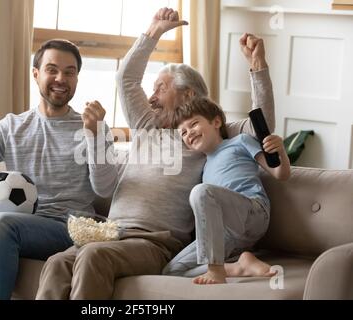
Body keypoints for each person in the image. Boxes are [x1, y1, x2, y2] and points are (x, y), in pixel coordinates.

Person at [36, 8, 276, 299]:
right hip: (112, 234)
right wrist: (153, 32)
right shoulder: (146, 126)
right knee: (57, 262)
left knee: (93, 257)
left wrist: (258, 67)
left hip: (156, 243)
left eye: (160, 89)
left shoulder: (206, 136)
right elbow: (126, 79)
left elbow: (262, 127)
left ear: (188, 96)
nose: (150, 98)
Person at [0, 39, 119, 300]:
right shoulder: (12, 126)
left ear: (76, 78)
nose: (61, 78)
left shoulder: (92, 127)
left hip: (65, 227)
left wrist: (95, 135)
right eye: (52, 69)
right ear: (36, 74)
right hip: (13, 221)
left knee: (1, 223)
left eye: (69, 72)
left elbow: (105, 187)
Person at [162, 97, 290, 284]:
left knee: (201, 192)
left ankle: (215, 270)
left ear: (216, 122)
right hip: (226, 234)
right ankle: (239, 267)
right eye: (183, 132)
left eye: (194, 124)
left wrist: (281, 151)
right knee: (171, 270)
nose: (189, 133)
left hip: (253, 213)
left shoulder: (240, 141)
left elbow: (280, 174)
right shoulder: (204, 167)